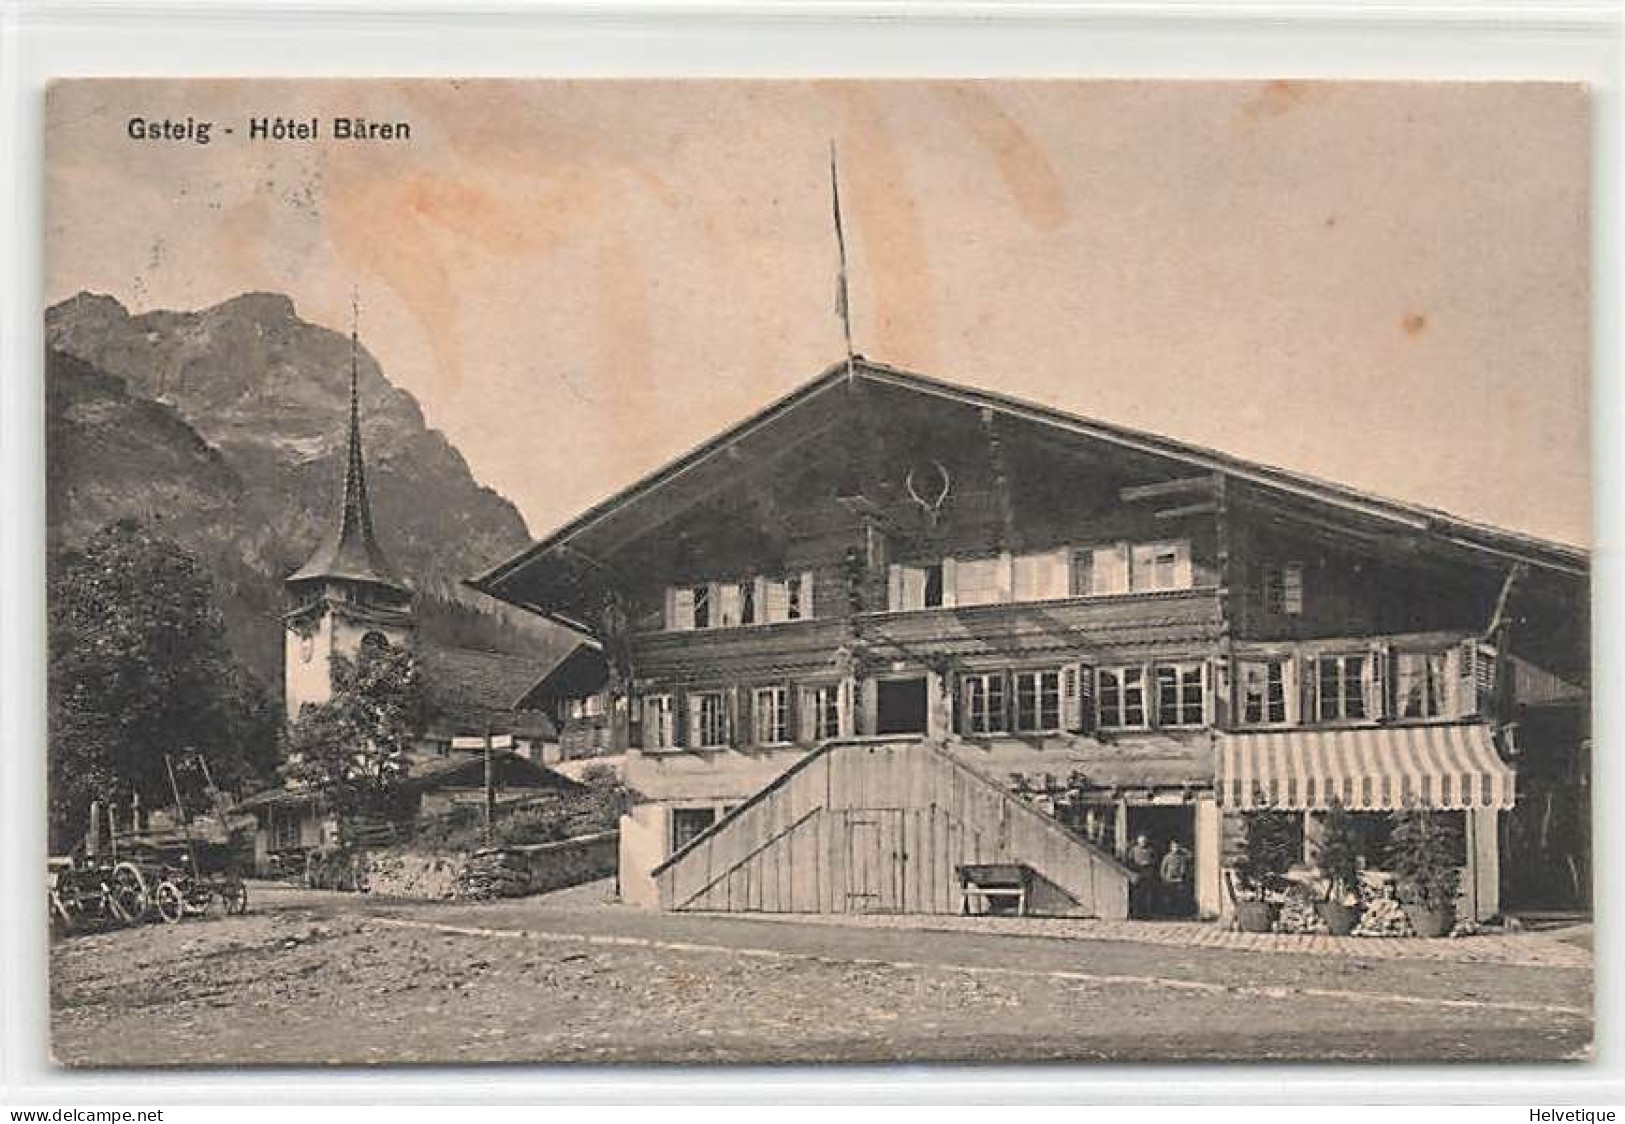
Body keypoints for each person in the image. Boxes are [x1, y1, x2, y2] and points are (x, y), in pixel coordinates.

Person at [1159, 839, 1193, 917]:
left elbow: (1191, 855)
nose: (1175, 848)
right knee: (1169, 897)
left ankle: (1178, 913)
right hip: (1169, 880)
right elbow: (1163, 868)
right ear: (1171, 847)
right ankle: (1169, 913)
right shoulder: (1167, 857)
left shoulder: (1182, 856)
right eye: (1174, 846)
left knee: (1179, 897)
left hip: (1179, 880)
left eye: (1177, 846)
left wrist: (1183, 849)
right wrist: (1164, 878)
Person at [1126, 832, 1158, 917]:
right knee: (1136, 895)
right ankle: (1136, 913)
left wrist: (1148, 863)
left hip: (1147, 874)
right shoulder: (1134, 850)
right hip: (1137, 874)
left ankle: (1147, 913)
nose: (1143, 843)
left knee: (1147, 894)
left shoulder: (1150, 850)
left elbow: (1155, 861)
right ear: (1138, 841)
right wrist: (1136, 866)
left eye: (1144, 841)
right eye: (1141, 841)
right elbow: (1129, 861)